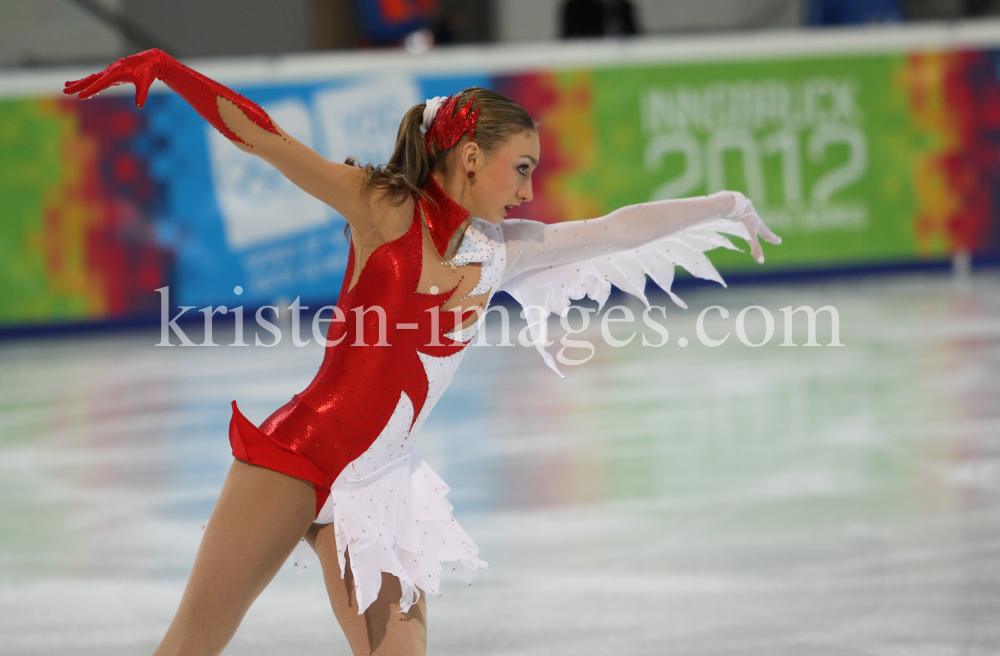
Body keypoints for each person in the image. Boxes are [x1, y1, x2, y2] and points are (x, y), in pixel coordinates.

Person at [64, 49, 780, 656]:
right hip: (299, 456)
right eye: (521, 168)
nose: (531, 191)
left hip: (379, 485)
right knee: (194, 643)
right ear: (471, 156)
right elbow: (268, 140)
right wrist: (167, 69)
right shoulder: (383, 209)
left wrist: (721, 204)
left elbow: (618, 230)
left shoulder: (504, 254)